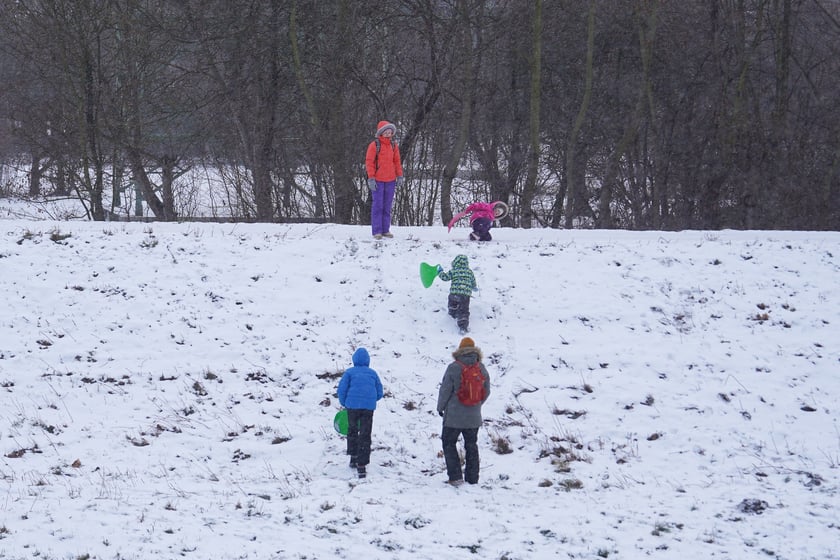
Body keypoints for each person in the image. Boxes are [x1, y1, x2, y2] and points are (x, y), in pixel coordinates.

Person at [436, 337, 491, 486]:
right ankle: (472, 478)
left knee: (449, 443)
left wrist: (441, 407)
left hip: (454, 415)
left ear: (459, 350)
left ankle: (455, 477)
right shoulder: (481, 368)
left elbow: (445, 390)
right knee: (471, 445)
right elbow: (486, 391)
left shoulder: (454, 367)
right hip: (473, 417)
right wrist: (476, 405)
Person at [337, 347, 384, 478]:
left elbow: (342, 389)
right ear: (368, 360)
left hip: (352, 407)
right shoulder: (373, 373)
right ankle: (362, 465)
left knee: (352, 430)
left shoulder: (349, 373)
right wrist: (371, 400)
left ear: (354, 360)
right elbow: (379, 391)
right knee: (365, 434)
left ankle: (353, 456)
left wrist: (344, 402)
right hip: (368, 408)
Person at [365, 120, 404, 240]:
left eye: (390, 132)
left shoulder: (394, 146)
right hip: (378, 180)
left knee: (387, 206)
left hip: (390, 180)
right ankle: (377, 231)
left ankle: (385, 229)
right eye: (386, 132)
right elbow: (369, 162)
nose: (388, 134)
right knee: (378, 206)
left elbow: (397, 162)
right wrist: (371, 178)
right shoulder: (374, 145)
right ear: (381, 133)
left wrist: (400, 176)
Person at [437, 254, 477, 333]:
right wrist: (474, 286)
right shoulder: (469, 272)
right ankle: (463, 327)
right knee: (464, 310)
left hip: (454, 293)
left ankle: (452, 313)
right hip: (465, 295)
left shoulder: (454, 270)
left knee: (452, 303)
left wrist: (440, 272)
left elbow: (445, 277)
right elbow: (473, 281)